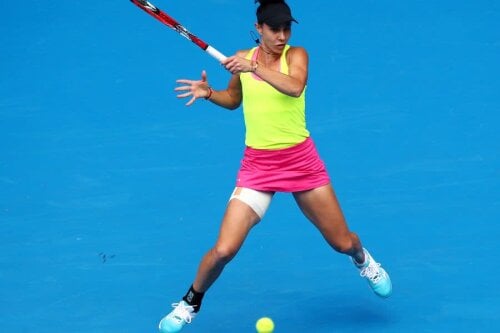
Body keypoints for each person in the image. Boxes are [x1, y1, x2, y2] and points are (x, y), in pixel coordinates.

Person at [158, 1, 392, 332]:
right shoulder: (242, 58)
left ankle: (363, 260)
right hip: (258, 167)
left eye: (286, 29)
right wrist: (210, 93)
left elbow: (294, 87)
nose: (282, 36)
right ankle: (190, 302)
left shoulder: (296, 56)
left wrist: (252, 69)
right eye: (274, 29)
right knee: (224, 249)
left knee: (342, 243)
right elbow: (234, 100)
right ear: (259, 29)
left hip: (301, 163)